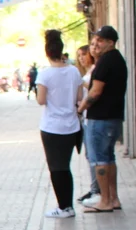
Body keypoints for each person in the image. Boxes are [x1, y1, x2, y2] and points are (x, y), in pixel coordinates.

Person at [36, 30, 85, 219]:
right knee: (65, 165)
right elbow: (79, 97)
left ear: (47, 52)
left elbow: (41, 100)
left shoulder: (45, 74)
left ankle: (64, 207)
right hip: (71, 126)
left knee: (55, 167)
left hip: (51, 127)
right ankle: (67, 205)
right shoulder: (74, 71)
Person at [79, 25, 128, 213]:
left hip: (100, 118)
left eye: (100, 40)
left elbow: (95, 91)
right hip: (113, 117)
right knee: (108, 158)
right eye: (95, 40)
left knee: (99, 160)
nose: (96, 44)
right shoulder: (117, 59)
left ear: (110, 42)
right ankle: (113, 199)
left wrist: (81, 108)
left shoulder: (105, 61)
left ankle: (105, 200)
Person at [75, 44, 100, 204]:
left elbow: (94, 89)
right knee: (89, 155)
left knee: (94, 155)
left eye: (84, 54)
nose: (81, 58)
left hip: (91, 116)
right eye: (79, 55)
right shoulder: (85, 73)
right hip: (85, 117)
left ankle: (97, 190)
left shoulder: (95, 70)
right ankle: (94, 188)